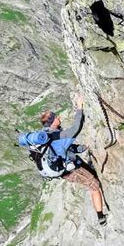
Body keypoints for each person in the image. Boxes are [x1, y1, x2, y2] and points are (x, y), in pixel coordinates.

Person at [40, 96, 108, 226]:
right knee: (94, 186)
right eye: (55, 117)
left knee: (92, 174)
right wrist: (79, 108)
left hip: (69, 164)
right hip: (70, 169)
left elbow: (65, 148)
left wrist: (81, 148)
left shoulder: (46, 135)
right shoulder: (56, 135)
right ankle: (100, 217)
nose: (58, 117)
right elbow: (75, 129)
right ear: (53, 122)